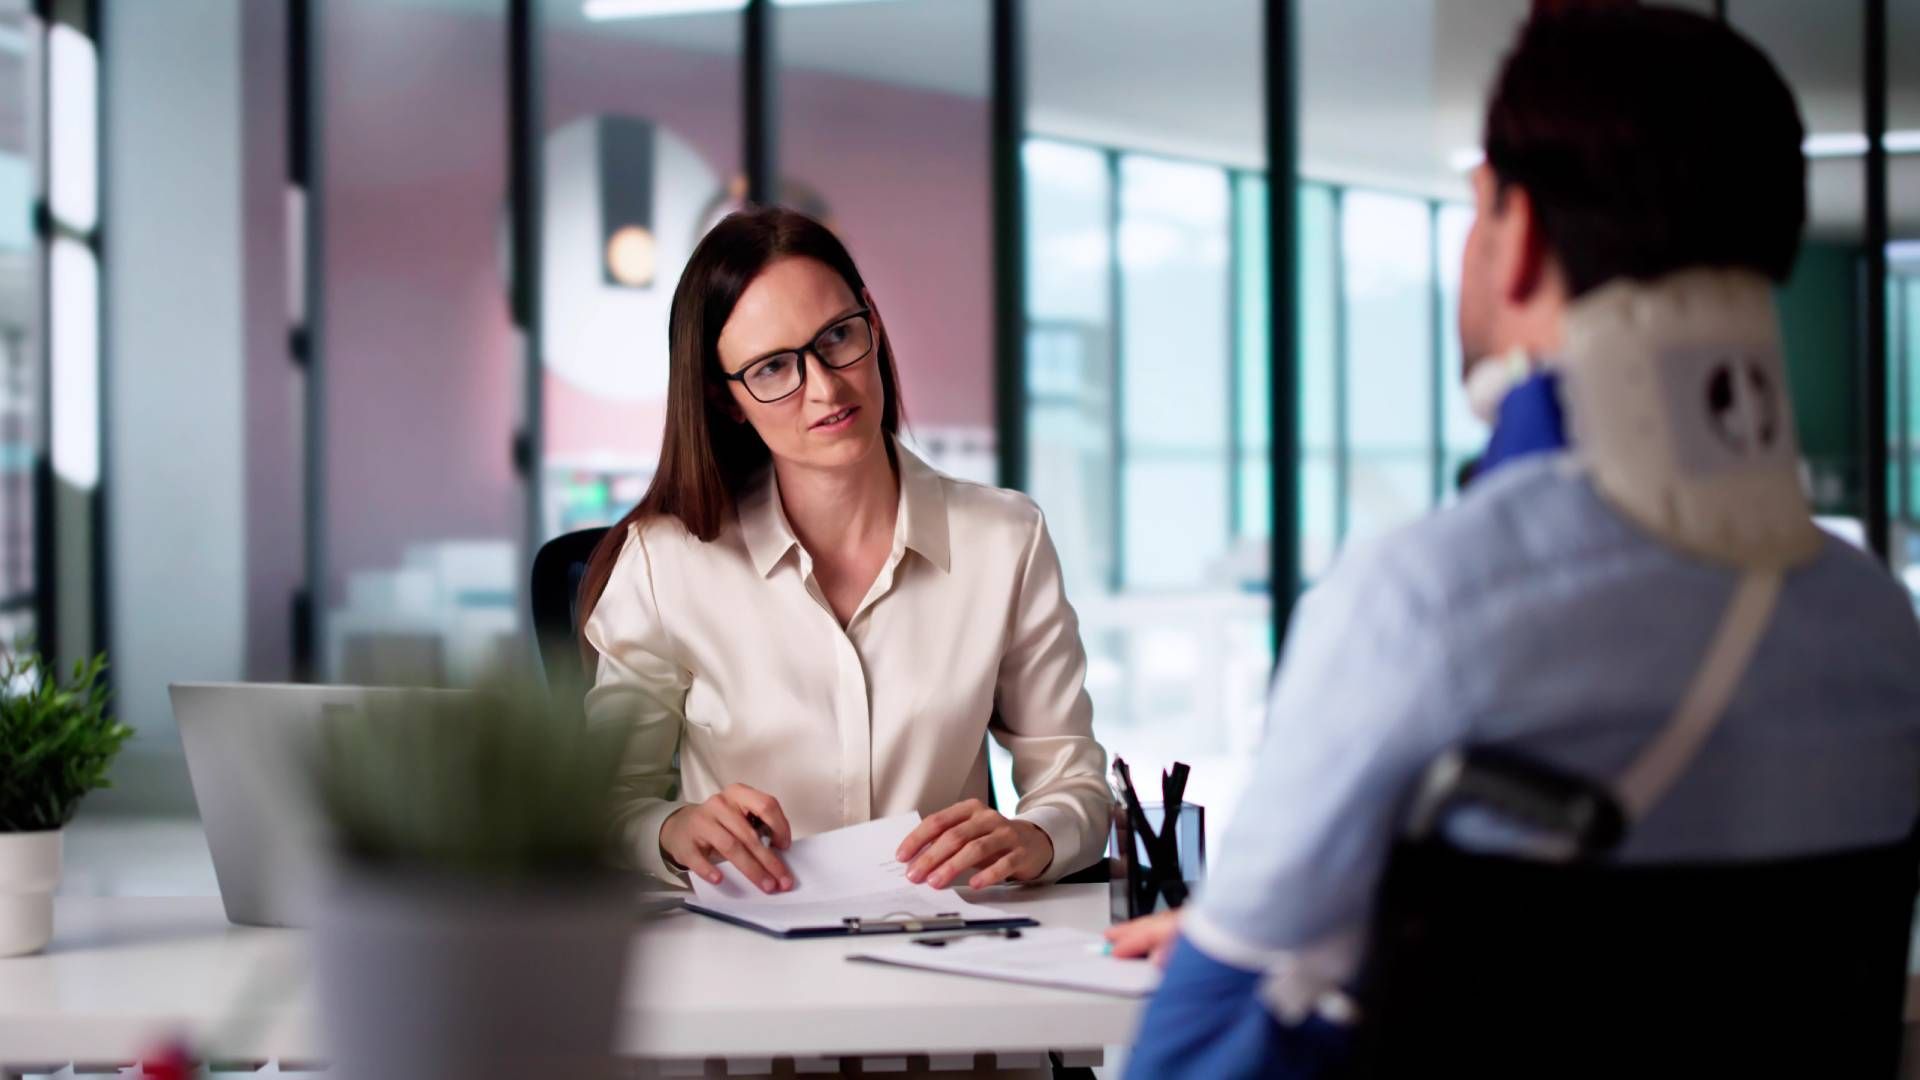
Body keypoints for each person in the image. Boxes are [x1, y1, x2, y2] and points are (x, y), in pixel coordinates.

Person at [1113, 6, 1920, 1075]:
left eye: (1477, 209)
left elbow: (1190, 1055)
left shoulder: (1430, 601)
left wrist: (1290, 960)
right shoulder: (1879, 623)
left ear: (1521, 231)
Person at [578, 207, 1110, 893]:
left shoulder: (1004, 540)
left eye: (836, 337)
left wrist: (1034, 837)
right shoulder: (666, 562)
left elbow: (1076, 784)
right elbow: (603, 804)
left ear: (873, 324)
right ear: (727, 399)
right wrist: (671, 832)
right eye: (773, 368)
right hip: (746, 962)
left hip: (946, 952)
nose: (825, 387)